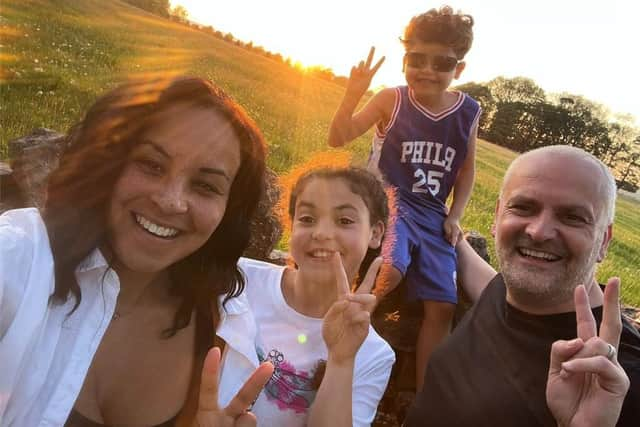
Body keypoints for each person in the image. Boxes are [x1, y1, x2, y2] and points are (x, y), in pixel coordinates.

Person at [0, 76, 275, 426]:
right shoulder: (17, 259)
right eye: (151, 164)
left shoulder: (226, 332)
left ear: (227, 211)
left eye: (205, 186)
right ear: (107, 161)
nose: (171, 201)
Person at [404, 145, 640, 426]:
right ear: (497, 216)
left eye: (572, 217)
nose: (538, 232)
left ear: (604, 240)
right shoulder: (505, 291)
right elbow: (487, 280)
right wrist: (438, 220)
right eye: (523, 207)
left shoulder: (615, 381)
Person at [328, 5, 480, 390]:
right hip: (387, 199)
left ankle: (424, 398)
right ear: (405, 58)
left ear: (458, 69)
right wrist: (352, 95)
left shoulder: (468, 112)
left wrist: (455, 215)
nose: (427, 70)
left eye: (442, 63)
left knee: (443, 306)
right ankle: (337, 342)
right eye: (417, 58)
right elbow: (339, 137)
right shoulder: (391, 99)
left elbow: (466, 169)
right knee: (389, 270)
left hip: (432, 214)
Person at [219, 168, 395, 426]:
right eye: (307, 218)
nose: (322, 233)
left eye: (345, 220)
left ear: (376, 233)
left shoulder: (373, 355)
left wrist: (341, 360)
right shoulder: (239, 280)